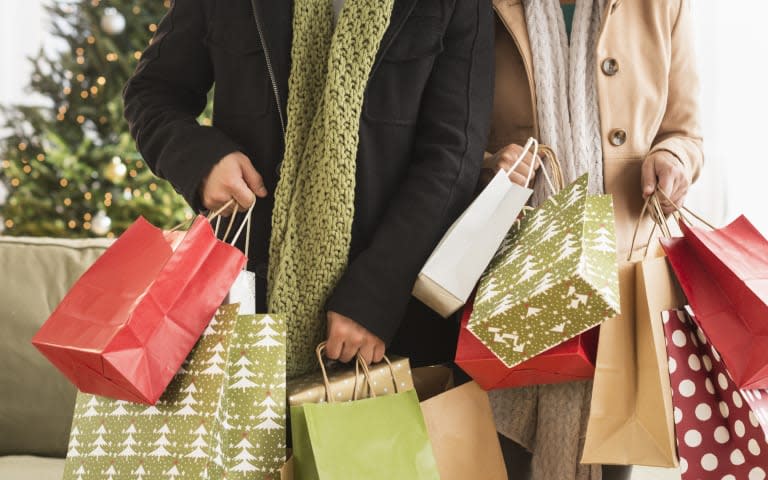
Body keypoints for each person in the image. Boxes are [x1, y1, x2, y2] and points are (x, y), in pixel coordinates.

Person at [123, 0, 494, 378]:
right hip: (243, 303)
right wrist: (201, 161)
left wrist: (375, 295)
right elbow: (152, 93)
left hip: (392, 318)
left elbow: (453, 156)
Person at [483, 0, 702, 479]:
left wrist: (674, 161)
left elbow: (685, 133)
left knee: (611, 453)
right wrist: (491, 168)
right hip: (516, 273)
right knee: (506, 458)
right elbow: (447, 135)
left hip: (622, 281)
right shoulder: (486, 7)